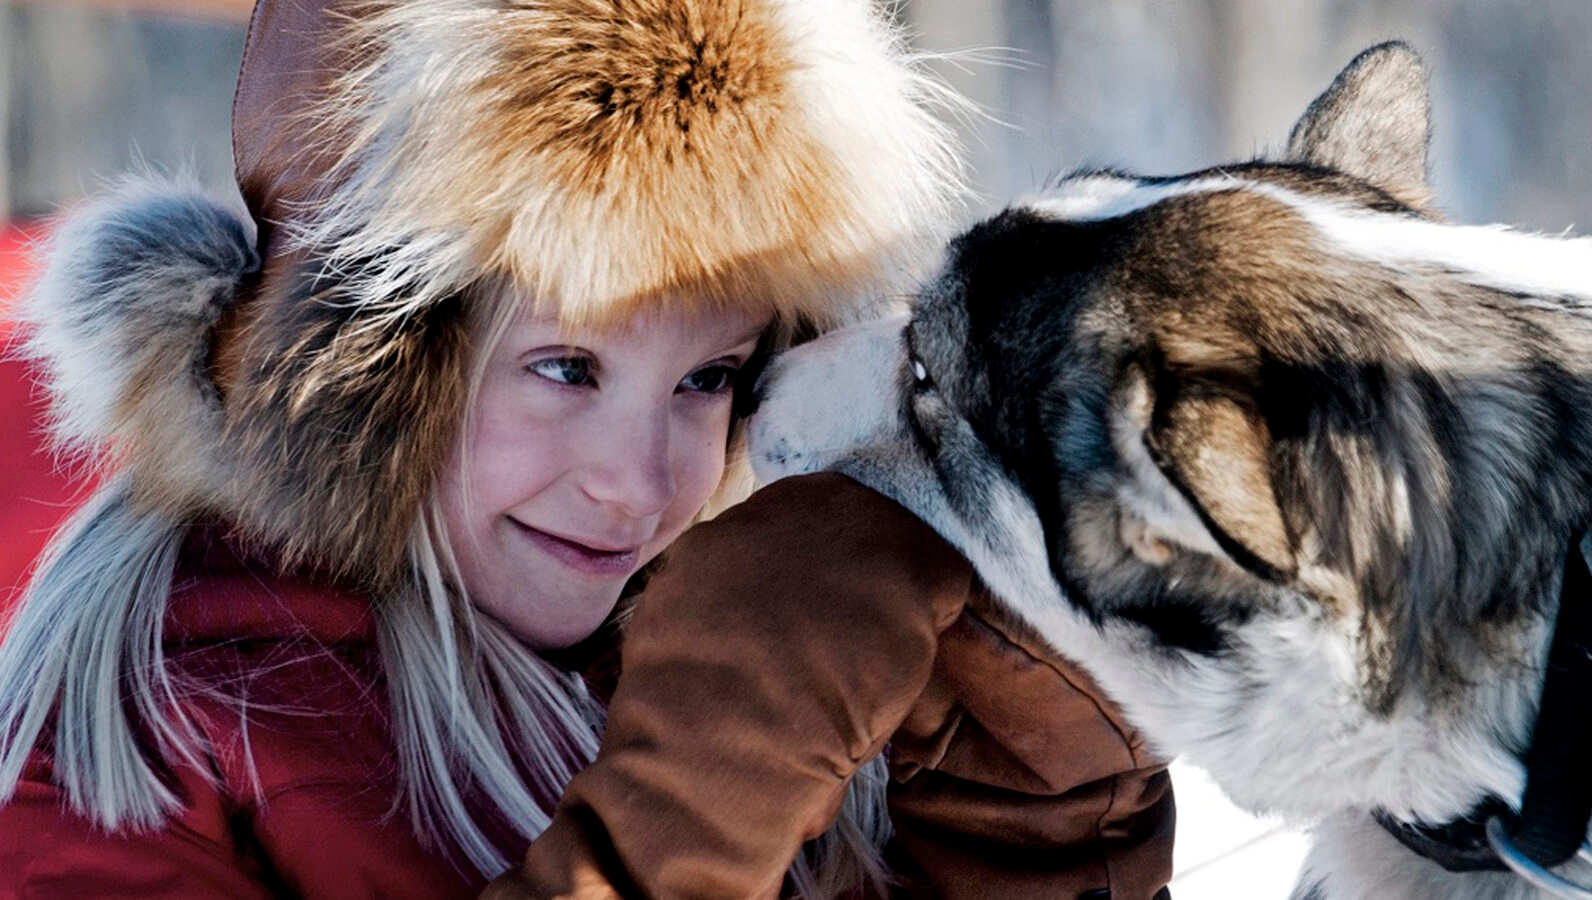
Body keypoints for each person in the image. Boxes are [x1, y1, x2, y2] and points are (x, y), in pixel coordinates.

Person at [0, 0, 964, 896]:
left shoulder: (775, 656)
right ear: (369, 386)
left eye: (708, 378)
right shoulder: (152, 746)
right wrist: (701, 805)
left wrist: (1016, 797)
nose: (638, 486)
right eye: (567, 368)